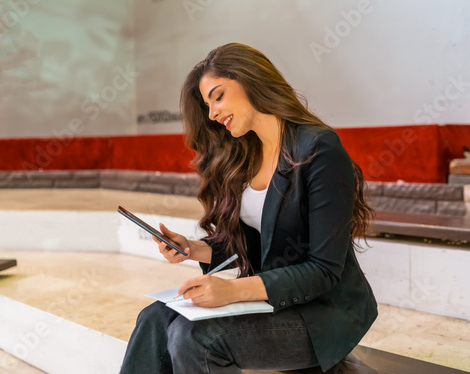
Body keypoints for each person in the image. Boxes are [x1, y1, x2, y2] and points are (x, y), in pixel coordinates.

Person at [120, 43, 377, 373]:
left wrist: (232, 290)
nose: (211, 113)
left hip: (322, 315)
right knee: (153, 318)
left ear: (249, 80)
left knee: (195, 337)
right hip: (270, 299)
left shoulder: (317, 149)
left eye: (218, 96)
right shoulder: (246, 155)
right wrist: (192, 249)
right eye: (207, 104)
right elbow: (257, 241)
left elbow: (324, 270)